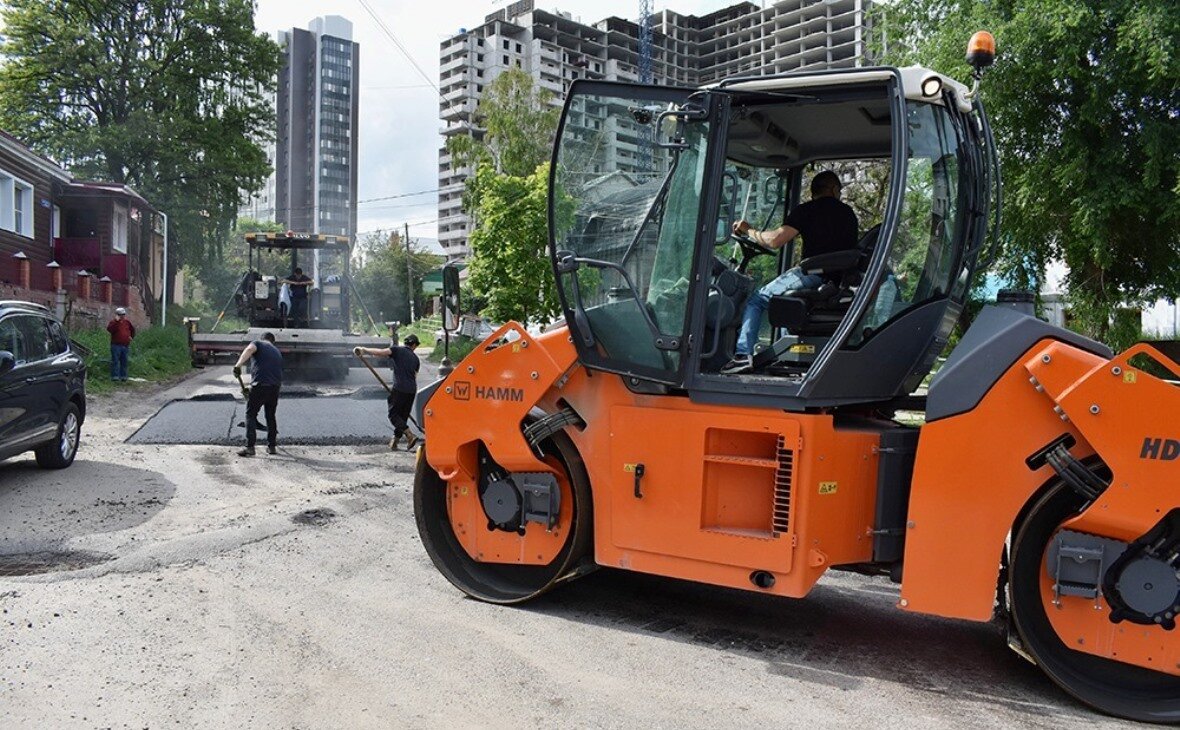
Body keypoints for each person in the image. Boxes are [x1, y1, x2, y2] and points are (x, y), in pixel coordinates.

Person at [722, 170, 859, 374]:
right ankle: (786, 356)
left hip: (813, 275)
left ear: (814, 191)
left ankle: (742, 355)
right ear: (834, 189)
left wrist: (748, 230)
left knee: (756, 301)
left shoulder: (807, 210)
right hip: (837, 280)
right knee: (786, 303)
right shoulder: (848, 213)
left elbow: (775, 240)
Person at [355, 334, 420, 451]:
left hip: (399, 388)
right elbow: (414, 376)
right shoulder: (416, 359)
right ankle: (394, 442)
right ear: (414, 345)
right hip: (411, 390)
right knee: (402, 417)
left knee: (393, 415)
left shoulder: (396, 350)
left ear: (405, 343)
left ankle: (410, 435)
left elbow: (380, 352)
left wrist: (364, 350)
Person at [233, 332, 283, 457]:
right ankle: (272, 447)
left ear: (263, 339)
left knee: (250, 414)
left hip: (260, 386)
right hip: (275, 387)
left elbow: (250, 349)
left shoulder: (258, 343)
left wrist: (238, 365)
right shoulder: (276, 350)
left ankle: (250, 447)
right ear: (273, 341)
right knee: (270, 416)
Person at [106, 307, 135, 382]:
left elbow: (132, 330)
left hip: (125, 345)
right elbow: (110, 329)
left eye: (123, 314)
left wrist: (131, 336)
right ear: (117, 315)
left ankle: (123, 376)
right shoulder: (113, 323)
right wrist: (116, 321)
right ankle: (115, 376)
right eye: (120, 315)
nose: (122, 316)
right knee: (115, 361)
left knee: (124, 361)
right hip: (116, 345)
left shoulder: (127, 322)